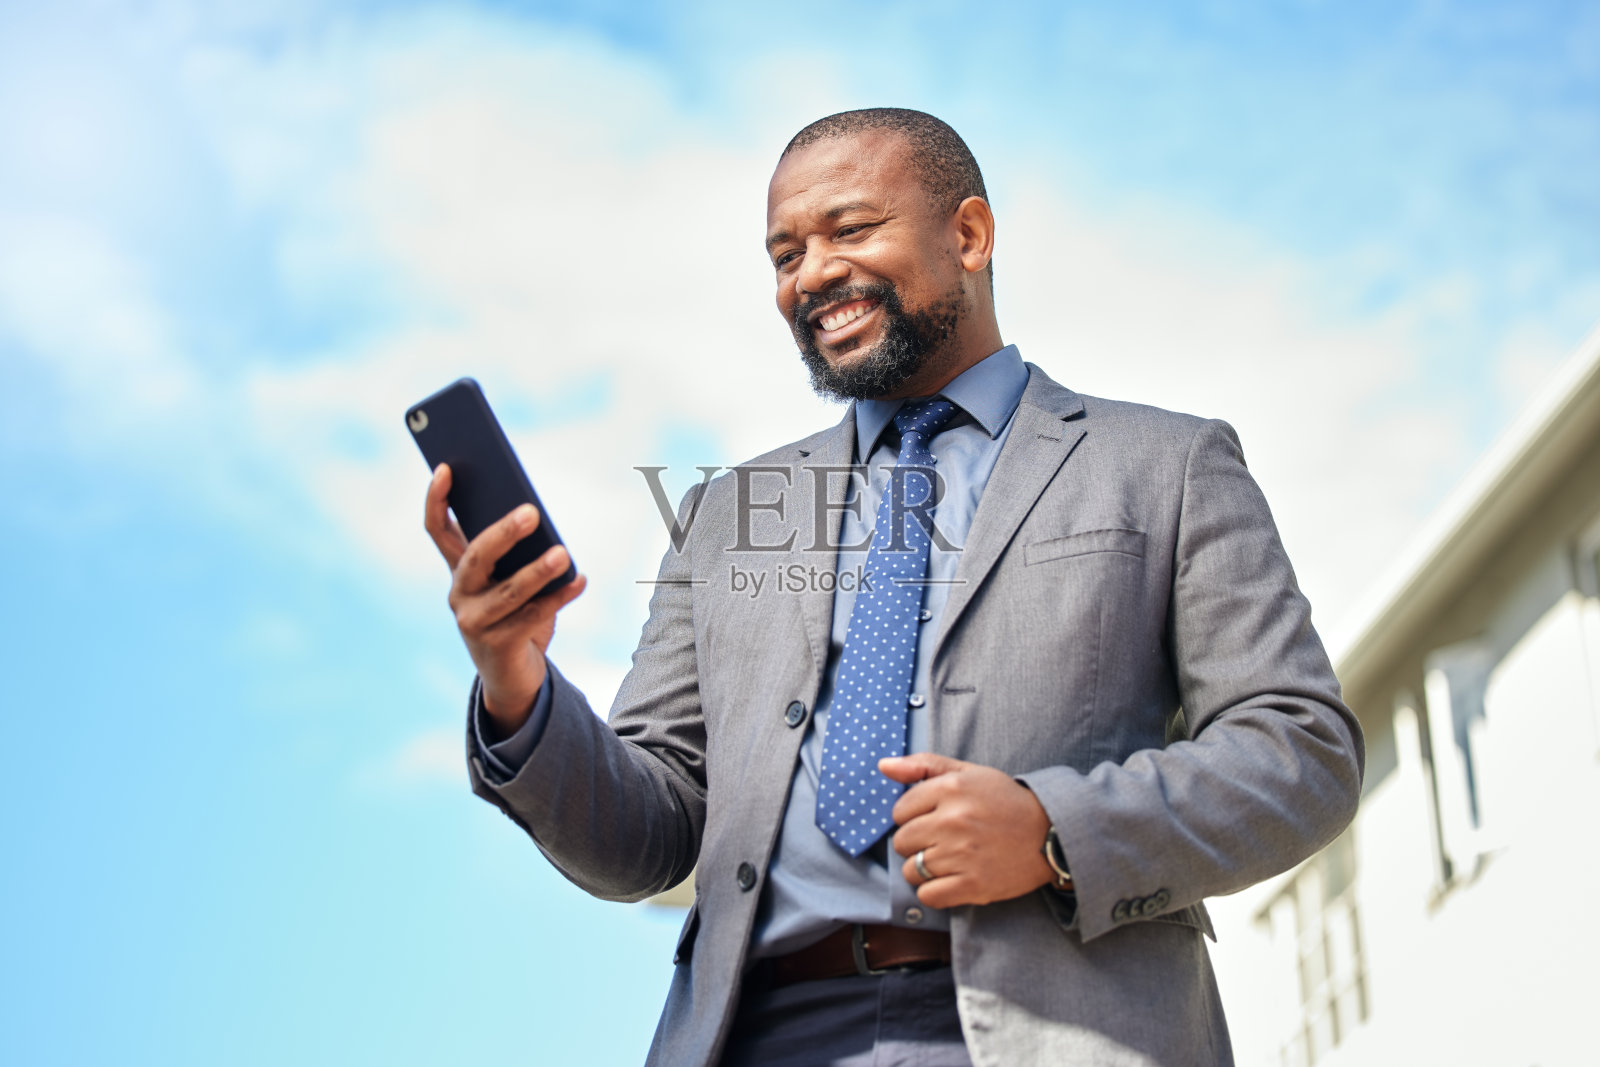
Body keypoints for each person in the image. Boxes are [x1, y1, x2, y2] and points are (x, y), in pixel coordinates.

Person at [423, 108, 1363, 1066]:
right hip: (767, 1037)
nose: (813, 274)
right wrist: (518, 685)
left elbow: (1301, 749)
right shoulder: (726, 515)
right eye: (785, 253)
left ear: (969, 235)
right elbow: (650, 835)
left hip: (1065, 1030)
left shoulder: (1164, 463)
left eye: (850, 229)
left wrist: (1052, 829)